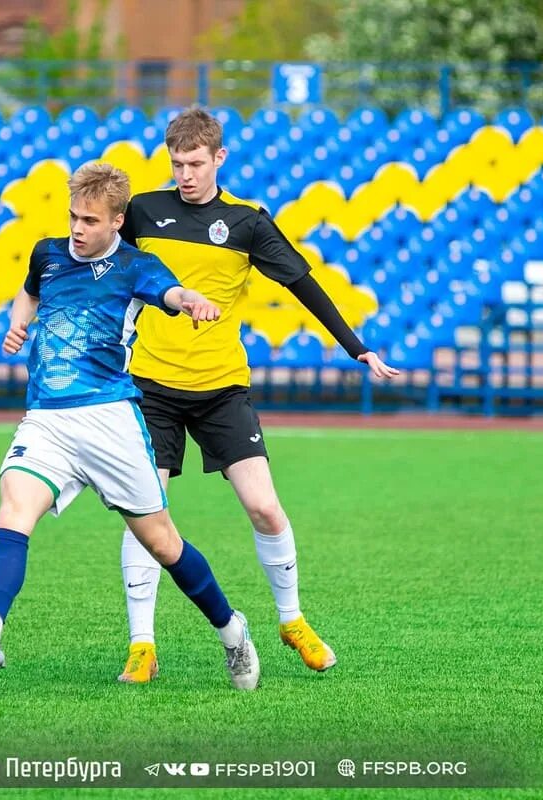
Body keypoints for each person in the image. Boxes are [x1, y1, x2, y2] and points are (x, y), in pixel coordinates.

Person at [114, 107, 400, 684]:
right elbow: (100, 261)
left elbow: (301, 281)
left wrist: (356, 347)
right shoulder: (143, 211)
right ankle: (141, 645)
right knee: (148, 515)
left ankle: (291, 621)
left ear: (219, 158)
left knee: (265, 506)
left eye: (196, 163)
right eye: (177, 164)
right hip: (150, 386)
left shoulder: (247, 222)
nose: (186, 174)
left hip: (222, 387)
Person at [0, 162, 261, 691]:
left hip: (110, 419)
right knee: (13, 509)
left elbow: (173, 294)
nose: (77, 229)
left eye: (90, 221)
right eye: (73, 216)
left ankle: (232, 631)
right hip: (47, 418)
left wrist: (195, 302)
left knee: (164, 544)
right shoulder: (47, 253)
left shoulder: (136, 266)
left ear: (117, 221)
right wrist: (17, 322)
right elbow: (28, 291)